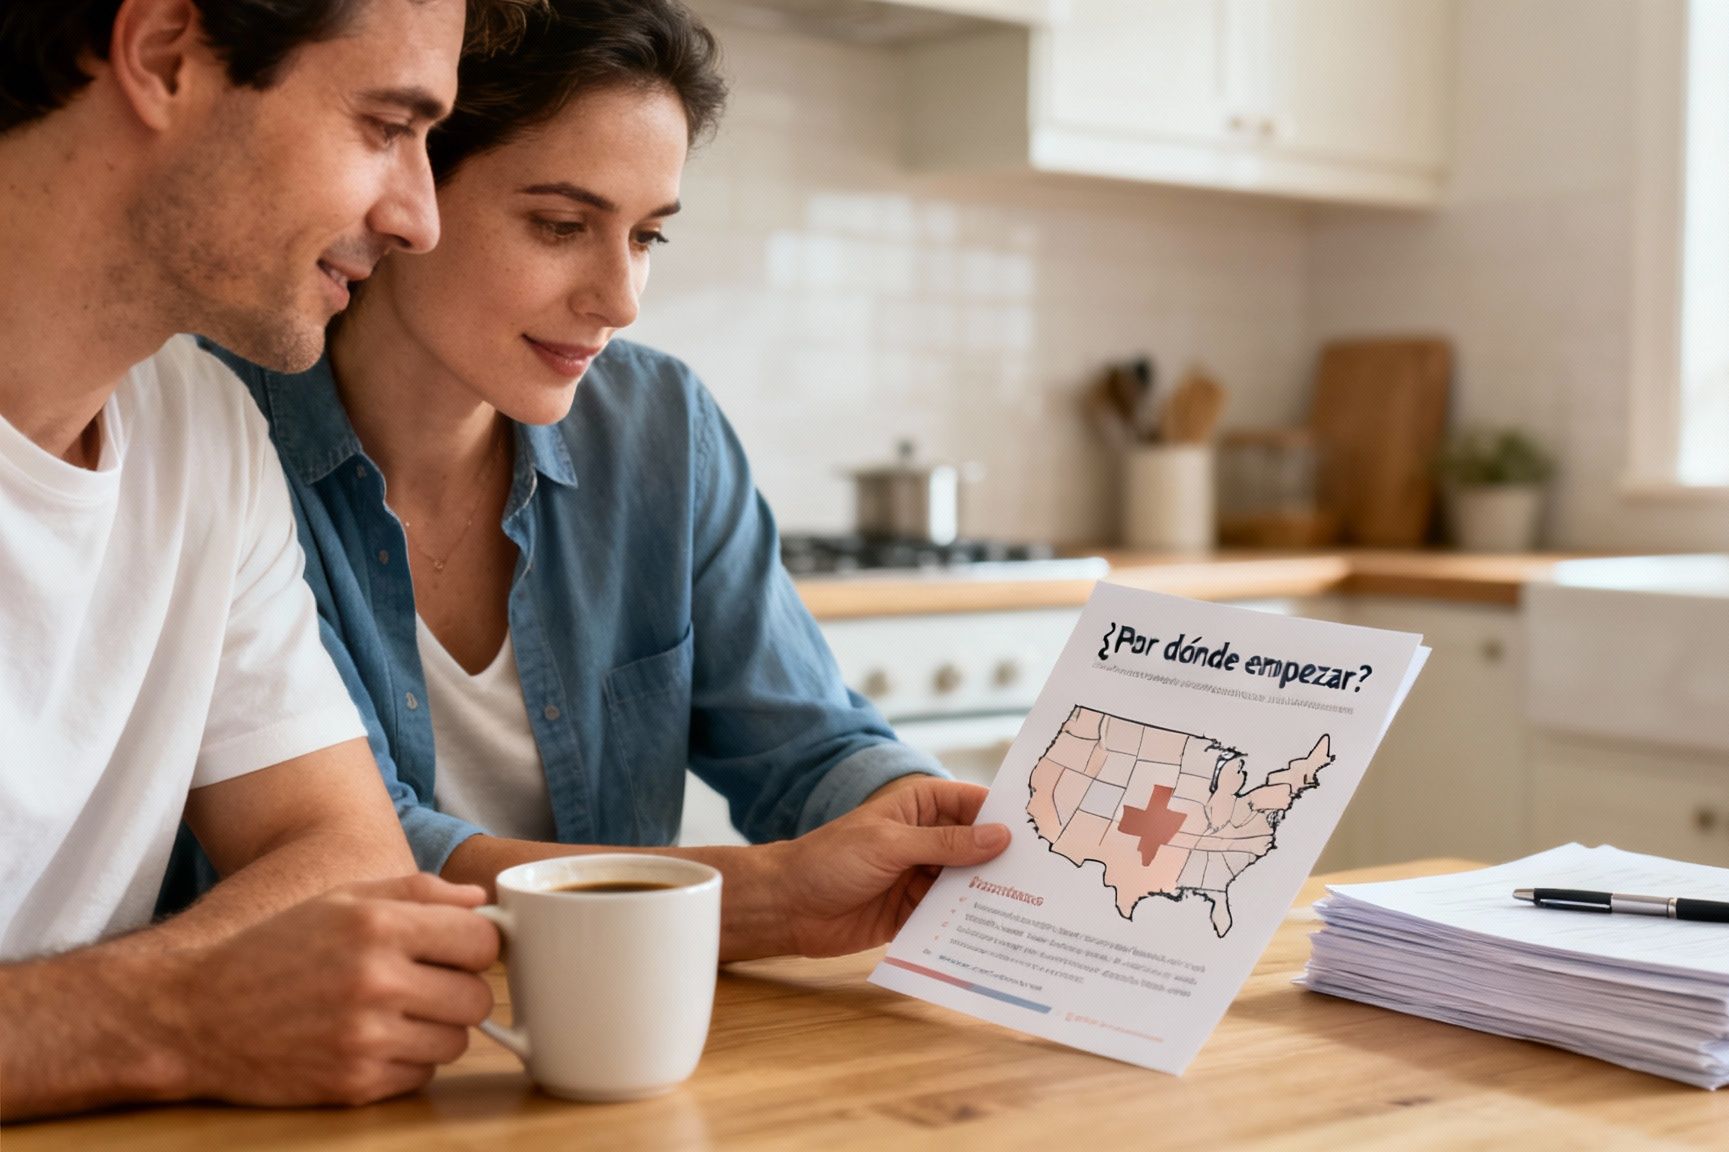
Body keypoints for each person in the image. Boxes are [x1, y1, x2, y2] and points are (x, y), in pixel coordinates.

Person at [178, 0, 1015, 965]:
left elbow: (807, 743)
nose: (618, 299)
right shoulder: (216, 435)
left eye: (648, 236)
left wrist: (925, 827)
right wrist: (761, 900)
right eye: (560, 224)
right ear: (405, 189)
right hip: (323, 1038)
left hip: (612, 1036)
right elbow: (349, 854)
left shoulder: (661, 427)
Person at [0, 0, 521, 1120]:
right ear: (163, 55)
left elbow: (342, 849)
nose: (421, 217)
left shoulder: (204, 428)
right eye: (387, 125)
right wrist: (168, 1018)